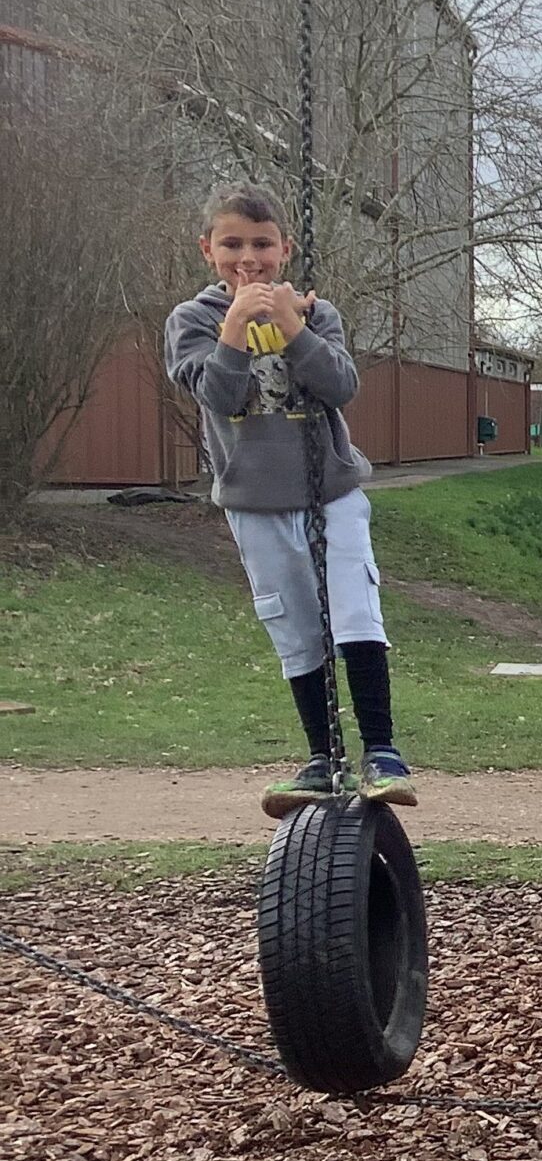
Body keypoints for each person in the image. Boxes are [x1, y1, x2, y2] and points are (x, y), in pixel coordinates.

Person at [164, 183, 414, 814]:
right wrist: (234, 327)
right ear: (207, 249)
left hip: (331, 491)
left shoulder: (314, 313)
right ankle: (322, 756)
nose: (248, 258)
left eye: (262, 244)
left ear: (285, 249)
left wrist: (293, 327)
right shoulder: (192, 321)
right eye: (232, 244)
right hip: (254, 501)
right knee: (295, 625)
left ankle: (381, 751)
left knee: (354, 610)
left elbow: (340, 386)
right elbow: (219, 396)